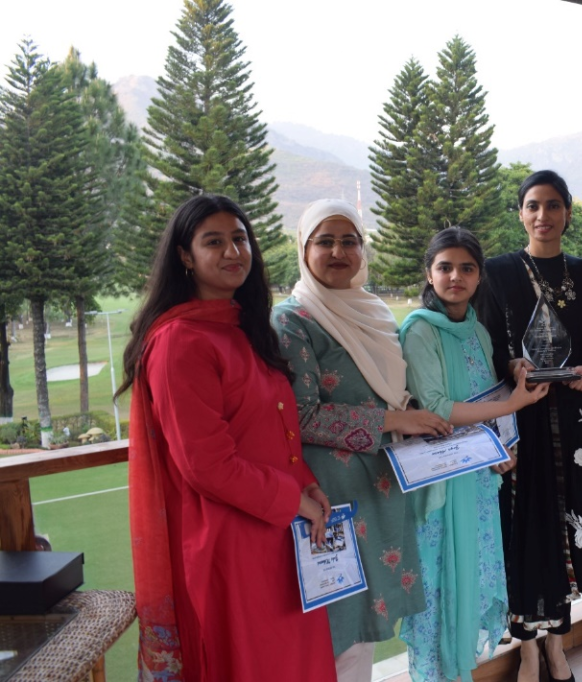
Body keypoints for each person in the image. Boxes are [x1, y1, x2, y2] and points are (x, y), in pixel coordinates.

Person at [118, 194, 335, 681]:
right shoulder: (180, 342)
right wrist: (292, 500)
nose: (233, 251)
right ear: (184, 256)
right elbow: (207, 465)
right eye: (213, 241)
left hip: (278, 533)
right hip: (229, 548)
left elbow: (273, 425)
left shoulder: (244, 327)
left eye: (239, 239)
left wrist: (304, 482)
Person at [271, 199, 452, 682]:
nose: (338, 251)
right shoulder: (292, 320)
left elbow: (393, 390)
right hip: (328, 497)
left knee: (362, 632)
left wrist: (411, 415)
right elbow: (302, 416)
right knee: (333, 625)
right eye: (324, 241)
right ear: (303, 250)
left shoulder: (371, 311)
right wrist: (394, 420)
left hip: (377, 490)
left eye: (349, 240)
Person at [398, 227, 549, 681]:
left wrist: (501, 445)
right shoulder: (419, 330)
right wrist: (514, 404)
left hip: (477, 480)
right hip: (441, 482)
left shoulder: (478, 331)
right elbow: (439, 407)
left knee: (470, 581)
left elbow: (483, 399)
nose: (455, 277)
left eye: (466, 268)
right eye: (445, 267)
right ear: (429, 273)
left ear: (480, 276)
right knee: (441, 584)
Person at [477, 170, 582, 682]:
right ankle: (528, 648)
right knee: (524, 530)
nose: (543, 216)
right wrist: (512, 367)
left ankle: (557, 644)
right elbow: (488, 342)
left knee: (565, 531)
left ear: (568, 212)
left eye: (553, 205)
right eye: (533, 206)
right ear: (521, 213)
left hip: (573, 422)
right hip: (521, 416)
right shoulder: (499, 271)